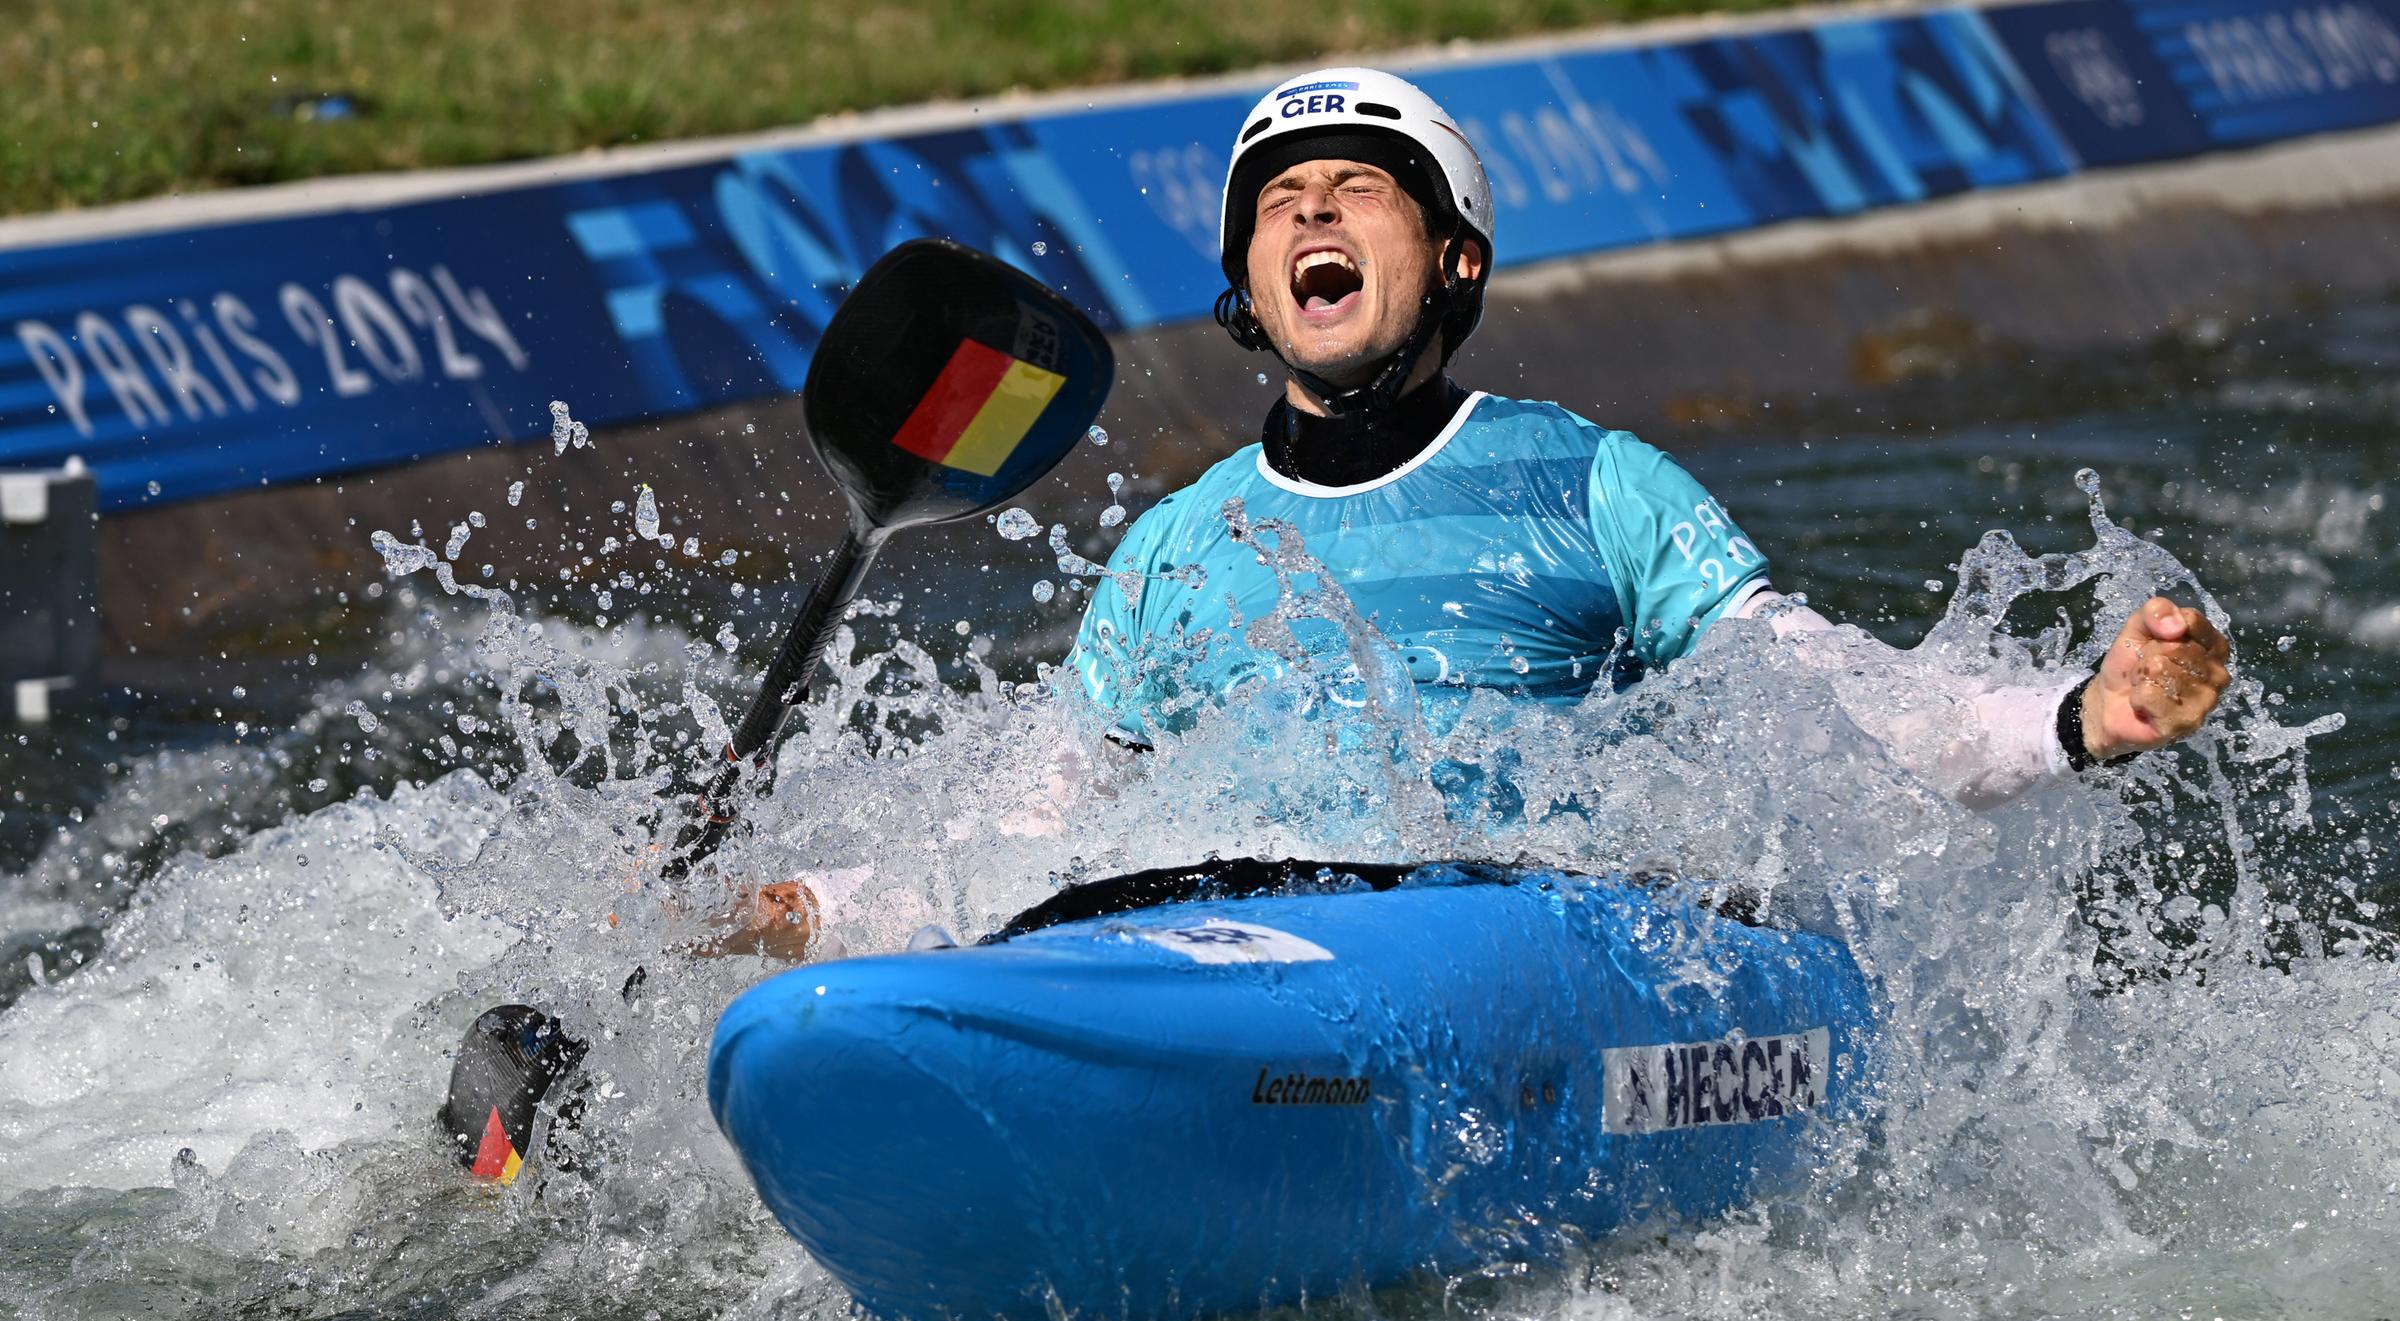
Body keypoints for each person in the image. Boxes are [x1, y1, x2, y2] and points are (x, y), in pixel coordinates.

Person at [728, 66, 2233, 952]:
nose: (1312, 211)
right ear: (1248, 286)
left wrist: (2076, 718)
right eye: (1280, 201)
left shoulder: (1594, 484)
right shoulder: (1172, 551)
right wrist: (787, 912)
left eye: (1357, 189)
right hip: (1243, 962)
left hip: (1522, 954)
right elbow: (1023, 835)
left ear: (1453, 260)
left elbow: (1829, 715)